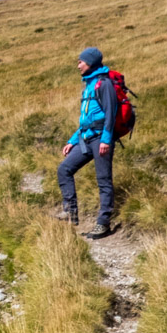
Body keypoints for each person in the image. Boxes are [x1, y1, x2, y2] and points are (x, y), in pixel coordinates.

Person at [57, 47, 119, 238]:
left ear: (90, 63)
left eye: (80, 62)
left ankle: (103, 223)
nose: (78, 66)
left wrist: (106, 140)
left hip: (101, 139)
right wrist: (72, 141)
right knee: (64, 169)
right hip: (86, 138)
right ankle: (71, 212)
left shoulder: (104, 84)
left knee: (103, 181)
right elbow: (86, 120)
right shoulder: (89, 85)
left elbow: (111, 114)